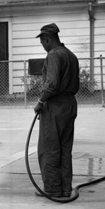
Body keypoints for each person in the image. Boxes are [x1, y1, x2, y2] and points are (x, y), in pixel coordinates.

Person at [33, 23, 80, 198]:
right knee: (65, 148)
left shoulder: (53, 55)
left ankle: (53, 189)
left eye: (42, 43)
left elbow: (51, 84)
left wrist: (40, 101)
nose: (43, 47)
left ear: (46, 39)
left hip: (55, 105)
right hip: (70, 104)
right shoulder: (71, 55)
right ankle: (65, 188)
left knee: (50, 148)